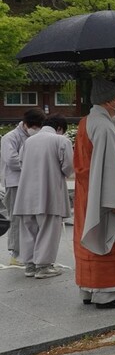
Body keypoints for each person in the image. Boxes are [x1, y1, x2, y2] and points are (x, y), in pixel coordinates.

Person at [73, 79, 115, 309]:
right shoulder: (104, 127)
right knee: (109, 237)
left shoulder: (87, 121)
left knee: (89, 235)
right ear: (111, 100)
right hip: (103, 194)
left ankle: (90, 290)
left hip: (87, 192)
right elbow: (109, 167)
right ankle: (108, 293)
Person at [14, 114, 74, 278]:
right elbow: (68, 167)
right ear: (60, 128)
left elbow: (20, 162)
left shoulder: (28, 141)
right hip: (49, 191)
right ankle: (44, 266)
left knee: (28, 228)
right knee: (48, 228)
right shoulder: (61, 141)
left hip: (26, 193)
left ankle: (30, 265)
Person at [0, 107, 45, 265]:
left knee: (30, 219)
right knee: (16, 218)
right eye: (33, 126)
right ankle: (15, 254)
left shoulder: (35, 137)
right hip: (14, 183)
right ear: (26, 124)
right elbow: (11, 160)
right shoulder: (10, 137)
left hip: (30, 182)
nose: (35, 129)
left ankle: (27, 253)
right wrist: (32, 162)